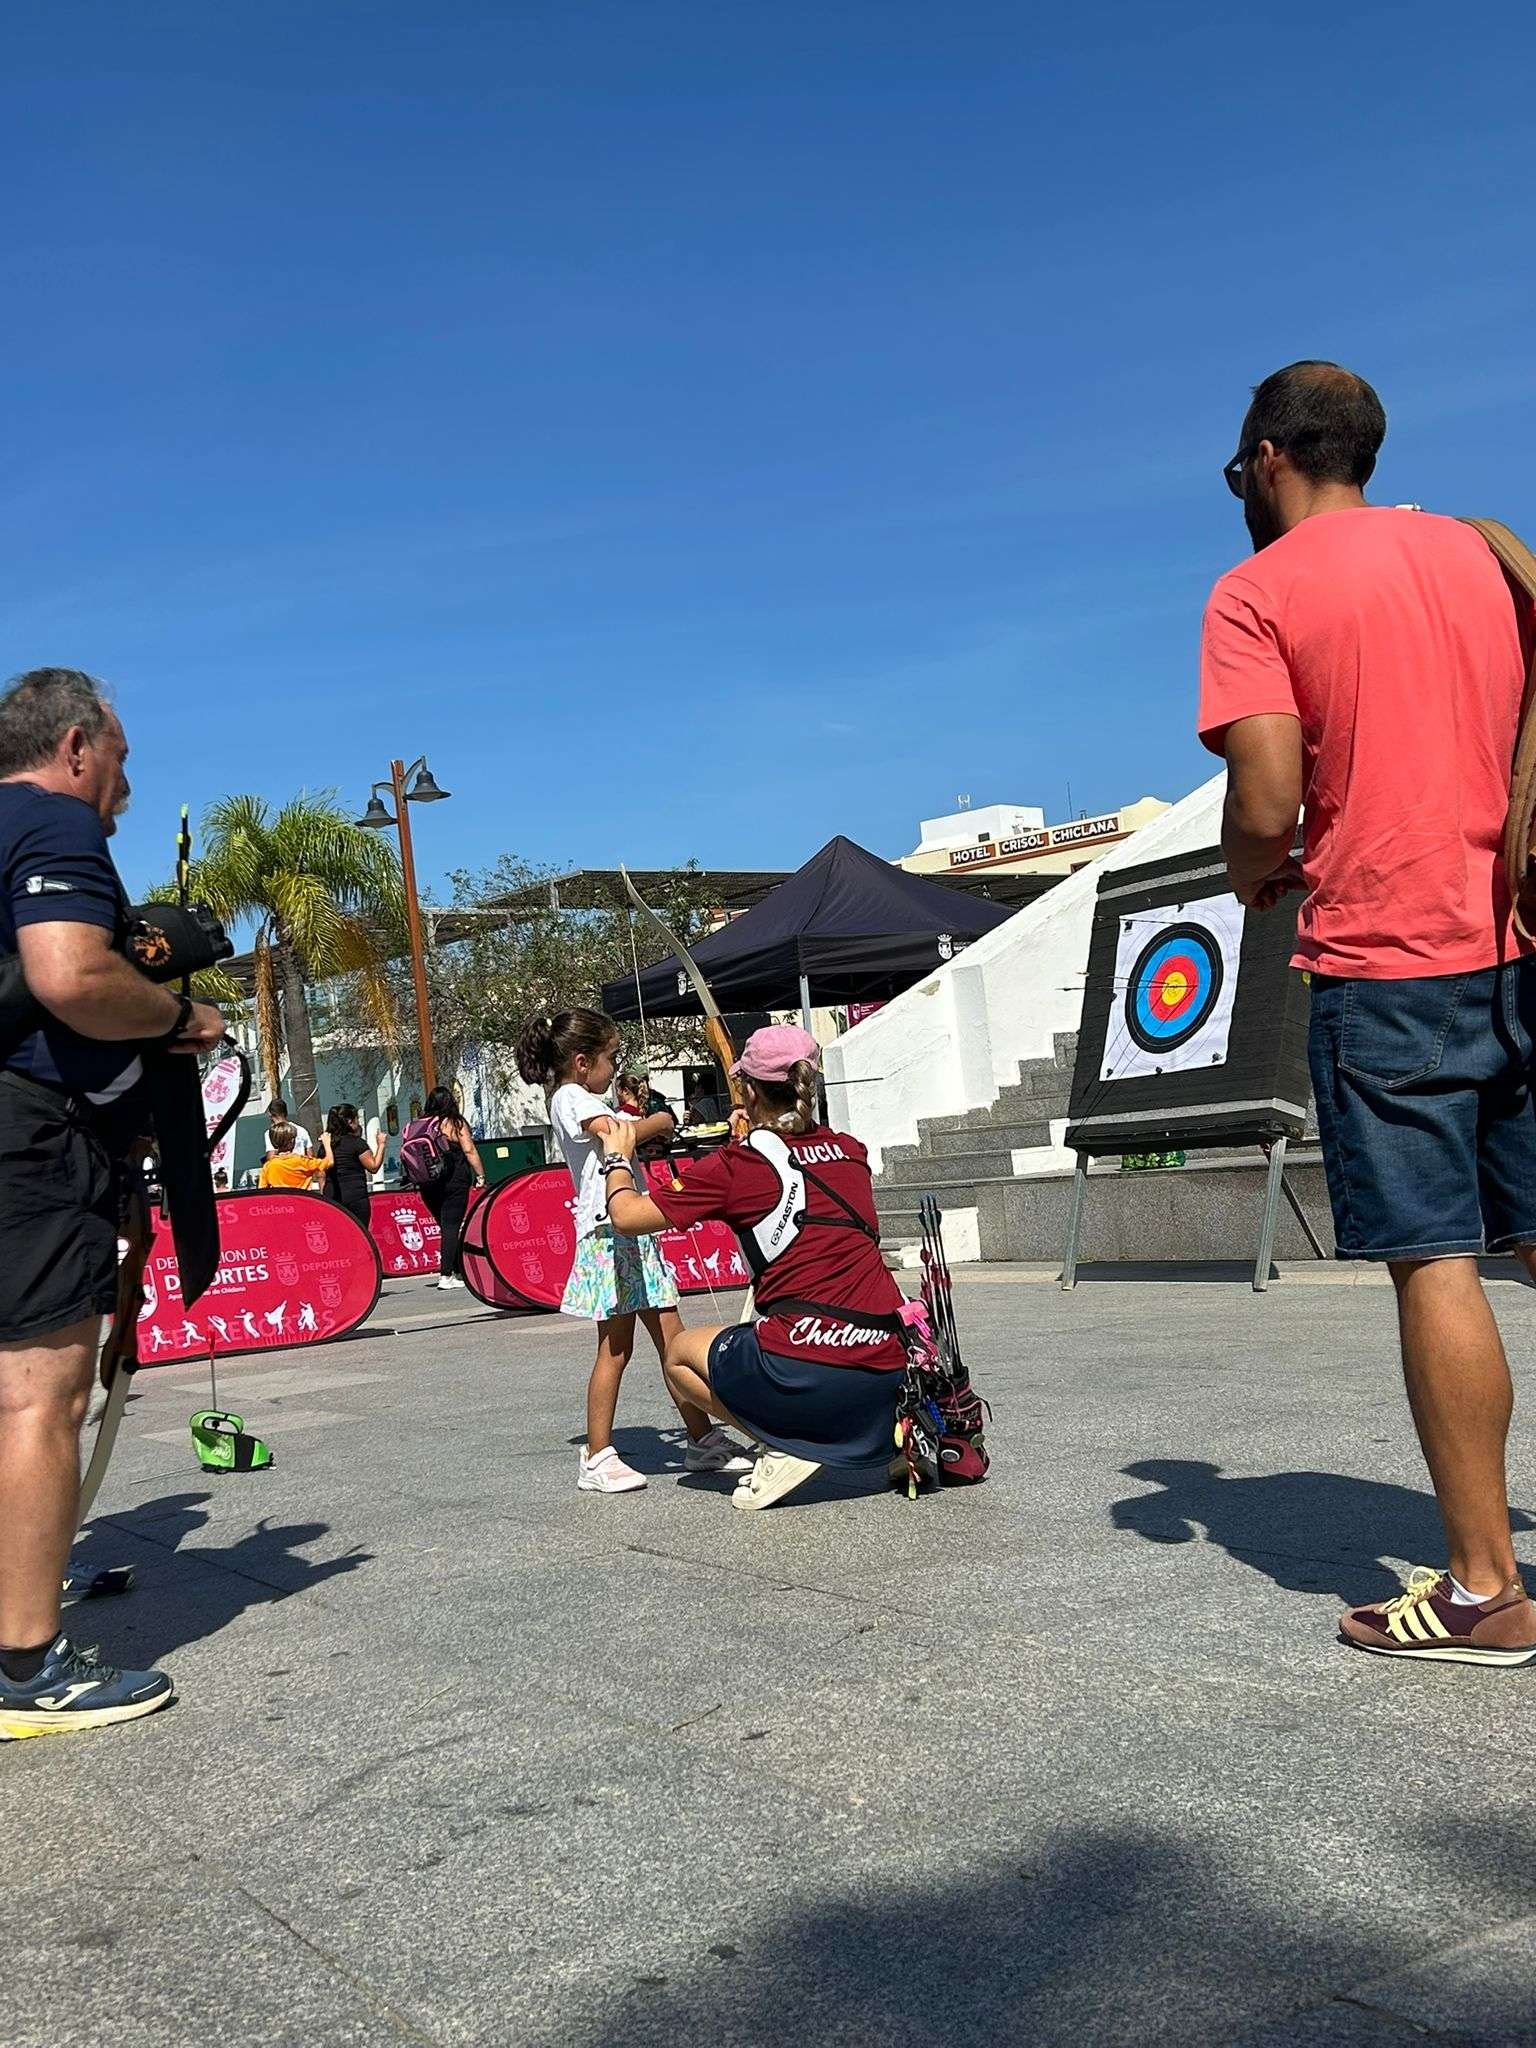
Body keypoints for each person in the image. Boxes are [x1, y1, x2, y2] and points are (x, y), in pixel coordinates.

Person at [1199, 360, 1536, 1666]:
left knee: (1436, 1257)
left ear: (1270, 458)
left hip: (1391, 956)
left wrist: (1251, 869)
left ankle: (1482, 1588)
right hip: (1518, 926)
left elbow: (1270, 790)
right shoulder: (1482, 553)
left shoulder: (1259, 590)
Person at [0, 668, 225, 1736]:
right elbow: (69, 974)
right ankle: (24, 1669)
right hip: (27, 1137)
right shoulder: (50, 820)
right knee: (38, 1398)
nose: (125, 777)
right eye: (122, 754)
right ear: (77, 743)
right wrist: (179, 1014)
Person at [602, 1024, 909, 1512]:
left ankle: (790, 1445)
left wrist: (616, 1159)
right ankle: (878, 1437)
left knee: (679, 1354)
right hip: (893, 1374)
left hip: (815, 1367)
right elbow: (798, 1173)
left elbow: (627, 1217)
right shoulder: (852, 1150)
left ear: (746, 1090)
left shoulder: (737, 1164)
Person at [515, 1007, 751, 1493]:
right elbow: (614, 1136)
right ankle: (597, 1454)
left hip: (633, 1231)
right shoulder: (570, 1097)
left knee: (673, 1340)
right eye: (610, 1058)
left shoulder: (586, 1097)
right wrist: (657, 1121)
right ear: (582, 1062)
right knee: (615, 1348)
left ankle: (701, 1436)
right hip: (608, 1234)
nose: (614, 1067)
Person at [416, 1083, 485, 1291]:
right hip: (454, 1182)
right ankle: (445, 1275)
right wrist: (480, 1175)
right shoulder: (455, 1123)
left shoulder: (421, 1124)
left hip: (428, 1184)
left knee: (446, 1227)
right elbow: (469, 1150)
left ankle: (456, 1271)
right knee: (451, 1226)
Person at [320, 1103, 384, 1230]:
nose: (358, 1122)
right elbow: (373, 1166)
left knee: (339, 1235)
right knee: (360, 1233)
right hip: (355, 1197)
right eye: (356, 1119)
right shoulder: (357, 1143)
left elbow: (321, 1175)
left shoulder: (325, 1146)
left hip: (332, 1197)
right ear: (349, 1121)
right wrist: (381, 1144)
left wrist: (324, 1195)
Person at [258, 1119, 324, 1191]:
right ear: (292, 1142)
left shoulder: (268, 1166)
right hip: (302, 1198)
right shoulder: (301, 1161)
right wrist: (326, 1144)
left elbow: (262, 1191)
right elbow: (328, 1162)